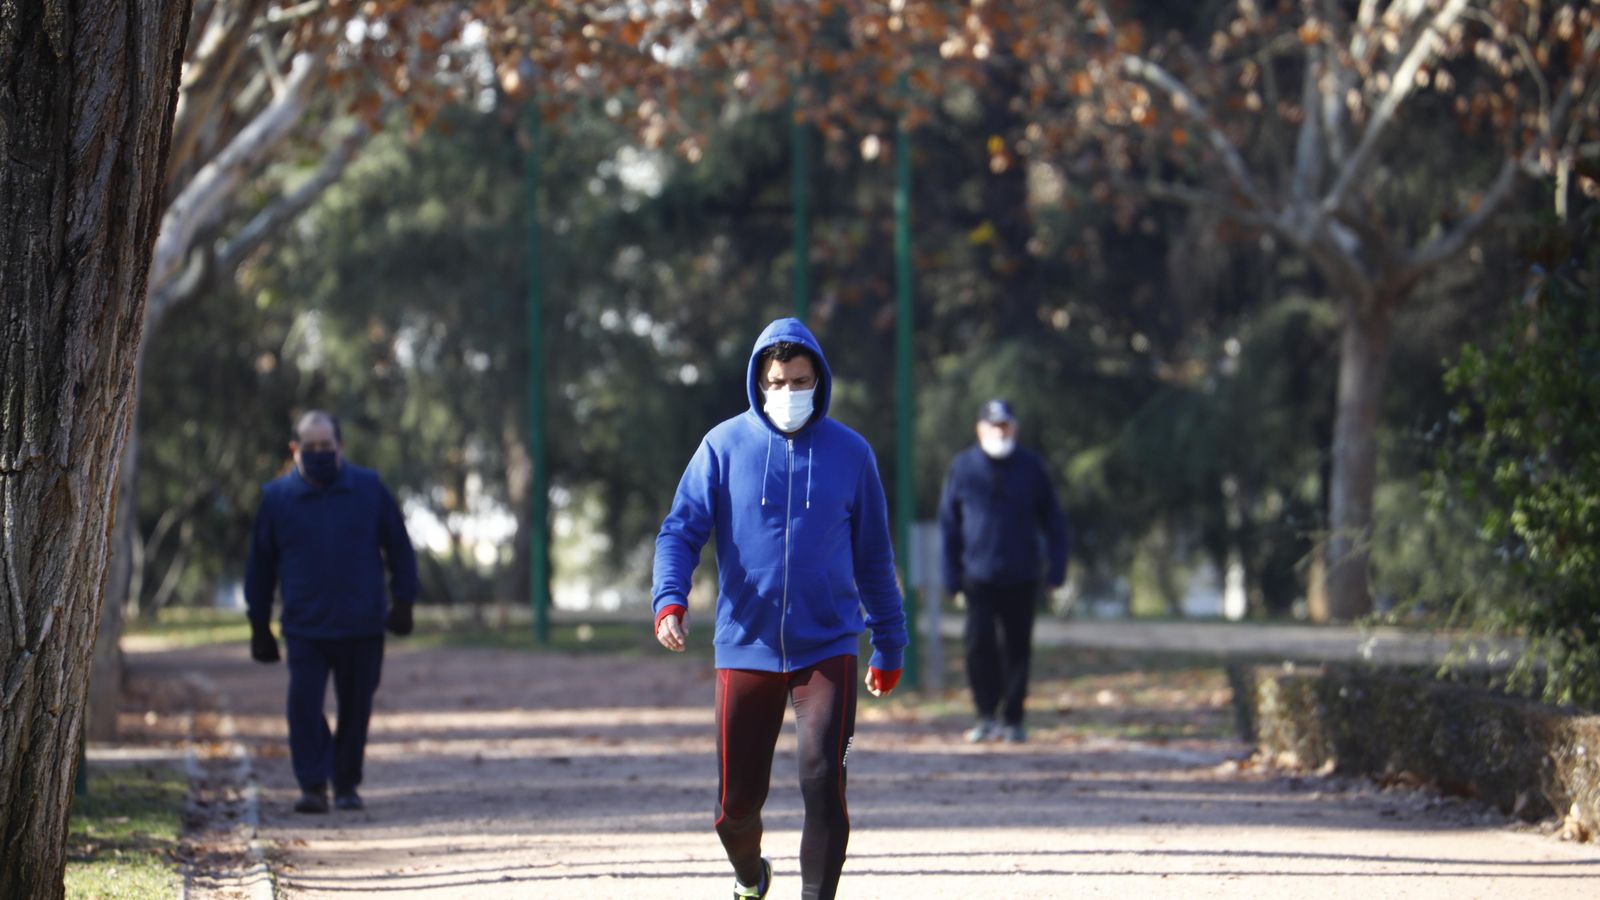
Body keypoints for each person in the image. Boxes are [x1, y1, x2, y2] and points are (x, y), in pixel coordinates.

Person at [652, 318, 907, 900]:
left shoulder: (852, 454)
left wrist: (890, 642)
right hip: (746, 646)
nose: (787, 393)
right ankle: (750, 874)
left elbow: (874, 558)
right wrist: (670, 597)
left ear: (818, 380)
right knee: (733, 809)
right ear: (757, 382)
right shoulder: (722, 446)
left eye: (799, 381)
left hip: (829, 648)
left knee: (823, 784)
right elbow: (679, 531)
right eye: (776, 381)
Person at [244, 410, 418, 813]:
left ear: (340, 447)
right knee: (303, 705)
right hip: (306, 627)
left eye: (327, 446)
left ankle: (345, 784)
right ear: (295, 449)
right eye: (311, 447)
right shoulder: (277, 499)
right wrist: (259, 625)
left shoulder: (370, 489)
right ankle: (311, 784)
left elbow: (400, 548)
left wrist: (404, 600)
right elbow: (261, 566)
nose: (319, 453)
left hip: (363, 624)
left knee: (356, 709)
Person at [938, 398, 1068, 744]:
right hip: (977, 575)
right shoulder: (963, 467)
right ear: (980, 429)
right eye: (993, 425)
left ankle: (1012, 718)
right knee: (978, 646)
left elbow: (1053, 521)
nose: (1000, 431)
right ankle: (984, 714)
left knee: (1017, 649)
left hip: (1022, 574)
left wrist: (1057, 569)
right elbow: (949, 525)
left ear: (1015, 428)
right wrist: (950, 575)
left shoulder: (1031, 467)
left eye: (1005, 425)